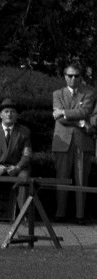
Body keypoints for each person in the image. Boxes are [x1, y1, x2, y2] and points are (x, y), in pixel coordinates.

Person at [52, 62, 95, 225]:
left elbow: (86, 111)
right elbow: (59, 119)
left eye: (76, 76)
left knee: (82, 178)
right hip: (63, 140)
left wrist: (64, 111)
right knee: (61, 177)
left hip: (82, 141)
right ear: (64, 76)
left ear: (81, 77)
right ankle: (60, 213)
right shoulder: (57, 94)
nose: (73, 79)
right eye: (70, 75)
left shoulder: (90, 92)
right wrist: (80, 123)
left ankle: (80, 215)